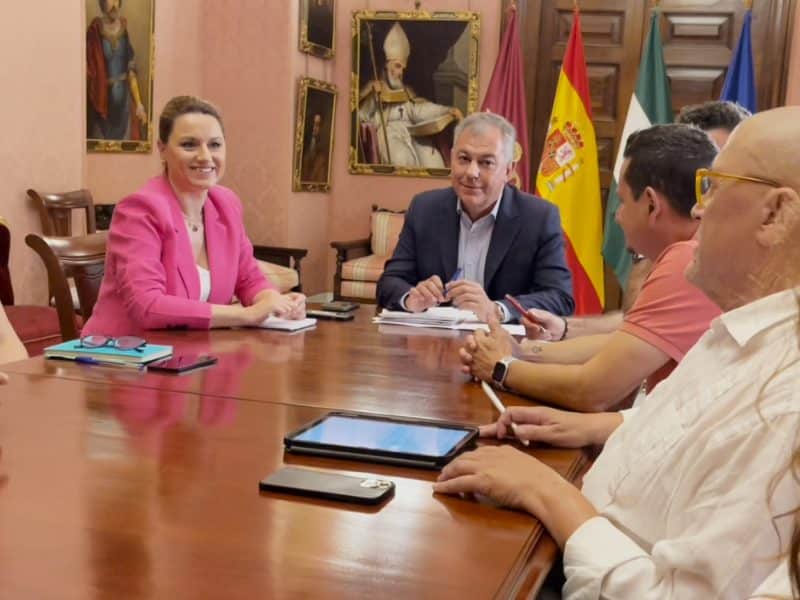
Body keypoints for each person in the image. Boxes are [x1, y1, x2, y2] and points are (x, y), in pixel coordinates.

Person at [436, 106, 800, 598]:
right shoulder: (741, 331)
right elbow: (692, 415)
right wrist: (583, 427)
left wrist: (543, 490)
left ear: (775, 215)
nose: (697, 210)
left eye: (712, 186)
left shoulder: (783, 406)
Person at [459, 124, 720, 409]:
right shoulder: (695, 249)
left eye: (622, 201)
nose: (617, 216)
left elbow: (593, 391)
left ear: (651, 205)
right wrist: (524, 351)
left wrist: (502, 367)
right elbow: (621, 341)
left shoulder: (687, 260)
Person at [526, 100, 752, 342]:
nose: (704, 184)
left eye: (716, 169)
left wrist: (519, 355)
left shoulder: (753, 255)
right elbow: (640, 324)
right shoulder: (670, 245)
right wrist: (564, 328)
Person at [83, 95, 305, 336]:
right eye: (189, 145)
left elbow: (248, 278)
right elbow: (147, 306)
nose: (205, 156)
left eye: (215, 145)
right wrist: (247, 315)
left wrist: (273, 301)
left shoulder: (225, 204)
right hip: (123, 352)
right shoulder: (140, 210)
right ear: (162, 149)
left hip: (192, 350)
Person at [376, 112, 574, 321]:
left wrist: (497, 310)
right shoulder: (424, 209)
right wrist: (411, 298)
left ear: (508, 170)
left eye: (486, 162)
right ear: (451, 159)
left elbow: (559, 297)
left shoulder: (539, 217)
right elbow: (389, 283)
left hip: (504, 338)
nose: (471, 172)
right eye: (464, 159)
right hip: (436, 337)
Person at [358, 22, 463, 168]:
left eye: (403, 68)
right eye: (397, 66)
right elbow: (361, 117)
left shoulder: (406, 92)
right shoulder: (374, 90)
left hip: (412, 133)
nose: (400, 72)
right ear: (386, 66)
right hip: (388, 134)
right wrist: (373, 98)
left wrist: (447, 111)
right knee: (400, 159)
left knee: (433, 161)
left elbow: (420, 110)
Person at [86, 0, 147, 140]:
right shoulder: (94, 31)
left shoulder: (123, 30)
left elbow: (130, 71)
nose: (114, 5)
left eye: (117, 0)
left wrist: (139, 104)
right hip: (102, 106)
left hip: (124, 107)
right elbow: (88, 73)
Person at [301, 113, 328, 182]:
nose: (314, 128)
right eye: (313, 124)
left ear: (321, 127)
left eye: (317, 125)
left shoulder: (323, 147)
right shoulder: (304, 141)